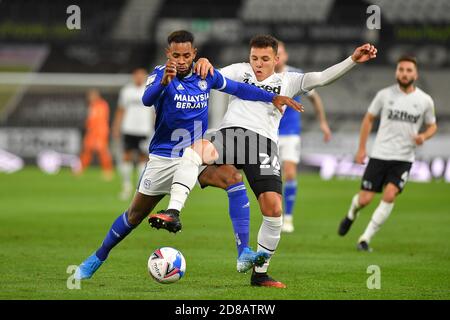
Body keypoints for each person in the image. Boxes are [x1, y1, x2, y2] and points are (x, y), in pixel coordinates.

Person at [74, 30, 303, 280]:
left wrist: (273, 97)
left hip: (194, 156)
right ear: (168, 54)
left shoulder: (204, 74)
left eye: (186, 55)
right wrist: (163, 82)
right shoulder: (160, 74)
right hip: (164, 158)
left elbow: (240, 89)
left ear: (194, 53)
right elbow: (146, 100)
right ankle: (98, 256)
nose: (181, 60)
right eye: (176, 55)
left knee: (233, 179)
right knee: (134, 215)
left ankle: (243, 253)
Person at [151, 35, 377, 288]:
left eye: (265, 59)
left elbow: (322, 78)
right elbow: (206, 74)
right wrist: (202, 61)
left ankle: (260, 274)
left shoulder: (289, 81)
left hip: (263, 146)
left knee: (274, 210)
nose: (258, 64)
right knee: (195, 151)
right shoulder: (239, 70)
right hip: (231, 134)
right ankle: (173, 211)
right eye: (254, 58)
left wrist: (352, 60)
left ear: (276, 59)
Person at [338, 55, 437, 252]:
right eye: (401, 69)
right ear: (396, 72)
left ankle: (365, 239)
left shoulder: (425, 100)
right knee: (364, 199)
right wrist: (361, 148)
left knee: (390, 195)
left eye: (409, 70)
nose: (404, 73)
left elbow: (432, 125)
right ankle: (351, 213)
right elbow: (368, 119)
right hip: (380, 154)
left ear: (415, 74)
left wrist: (424, 136)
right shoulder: (384, 95)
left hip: (404, 158)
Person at [275, 41, 332, 233]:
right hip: (268, 133)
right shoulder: (263, 76)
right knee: (271, 178)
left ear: (285, 56)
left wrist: (323, 122)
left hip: (290, 133)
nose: (278, 56)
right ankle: (274, 216)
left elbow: (314, 97)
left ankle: (288, 218)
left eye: (280, 53)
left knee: (289, 173)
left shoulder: (296, 76)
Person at [112, 68, 156, 200]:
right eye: (137, 75)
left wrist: (155, 128)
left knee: (143, 158)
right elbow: (121, 110)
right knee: (127, 156)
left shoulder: (149, 90)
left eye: (141, 75)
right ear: (133, 76)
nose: (139, 77)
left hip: (144, 130)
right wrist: (116, 127)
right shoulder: (127, 91)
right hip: (128, 129)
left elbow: (154, 112)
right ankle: (126, 186)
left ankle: (140, 187)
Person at [78, 89, 114, 180]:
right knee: (87, 150)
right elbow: (90, 120)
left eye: (92, 96)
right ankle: (80, 169)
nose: (90, 98)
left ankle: (108, 171)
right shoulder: (92, 105)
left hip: (100, 132)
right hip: (92, 132)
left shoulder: (102, 105)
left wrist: (98, 132)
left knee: (102, 151)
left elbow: (100, 120)